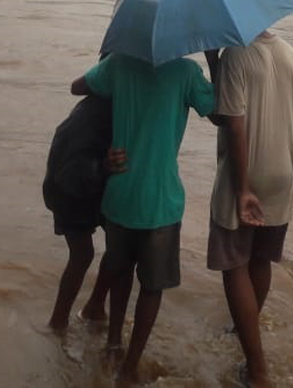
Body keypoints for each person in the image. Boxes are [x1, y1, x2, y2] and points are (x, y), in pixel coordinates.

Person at [71, 54, 215, 384]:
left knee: (119, 272)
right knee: (152, 288)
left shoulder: (118, 66)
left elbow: (78, 87)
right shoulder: (186, 72)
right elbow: (217, 109)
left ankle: (112, 345)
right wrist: (215, 61)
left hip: (120, 195)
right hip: (161, 203)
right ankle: (130, 366)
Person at [206, 31, 293, 387]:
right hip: (283, 172)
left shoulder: (235, 55)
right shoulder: (290, 53)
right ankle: (243, 331)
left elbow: (231, 123)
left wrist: (242, 188)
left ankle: (258, 370)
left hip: (247, 173)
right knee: (260, 259)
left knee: (234, 264)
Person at [43, 94, 123, 331]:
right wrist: (104, 167)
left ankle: (94, 307)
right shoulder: (92, 115)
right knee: (83, 253)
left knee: (119, 246)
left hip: (88, 180)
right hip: (70, 187)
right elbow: (70, 173)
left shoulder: (106, 101)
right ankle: (58, 321)